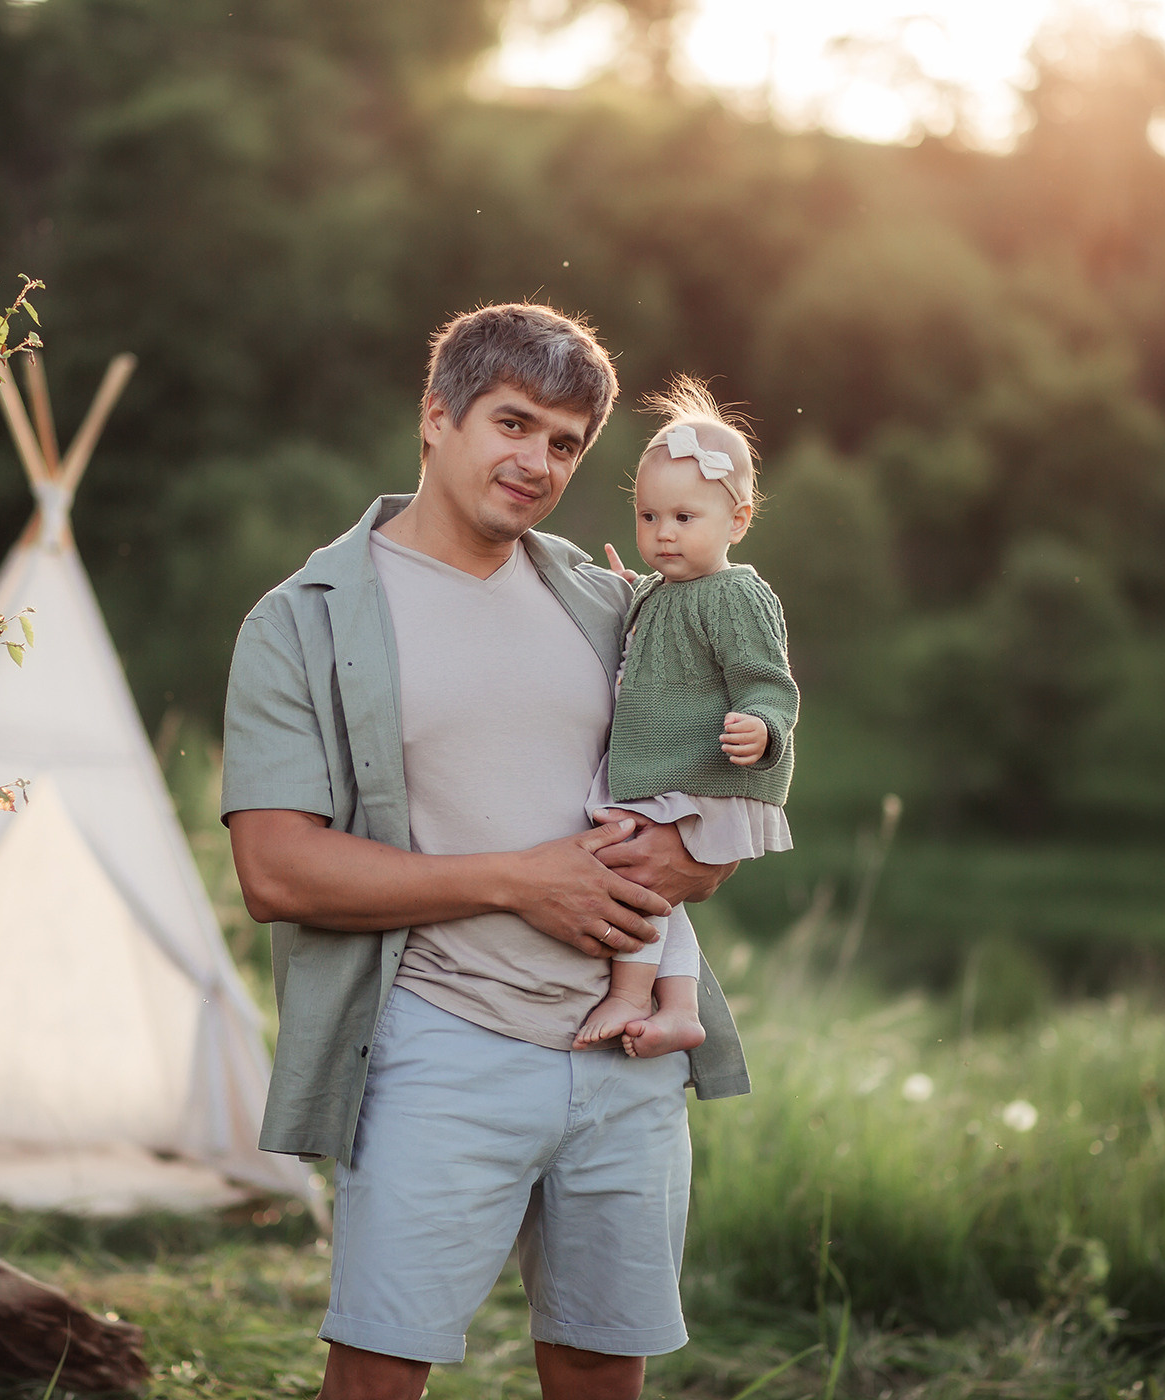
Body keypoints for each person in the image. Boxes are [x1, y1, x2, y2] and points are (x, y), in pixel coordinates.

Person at [221, 303, 751, 1400]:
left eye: (564, 443)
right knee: (379, 1367)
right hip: (437, 1042)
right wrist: (519, 880)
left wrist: (693, 857)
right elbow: (275, 872)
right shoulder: (305, 619)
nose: (536, 461)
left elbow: (712, 812)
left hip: (625, 1053)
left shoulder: (609, 602)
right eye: (513, 424)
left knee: (604, 1364)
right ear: (436, 415)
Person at [573, 379, 797, 1057]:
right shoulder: (660, 591)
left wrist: (761, 729)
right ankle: (676, 1007)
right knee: (652, 887)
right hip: (659, 773)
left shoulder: (734, 595)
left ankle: (630, 995)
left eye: (684, 519)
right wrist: (627, 593)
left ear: (737, 521)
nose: (662, 534)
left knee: (636, 876)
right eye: (648, 518)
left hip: (699, 772)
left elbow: (768, 681)